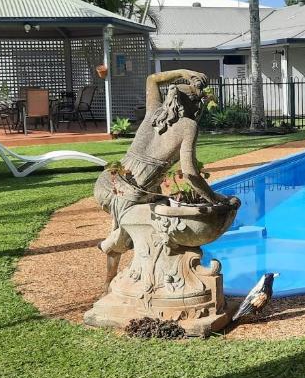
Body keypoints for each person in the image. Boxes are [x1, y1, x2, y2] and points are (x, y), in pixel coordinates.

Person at [94, 69, 238, 289]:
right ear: (187, 105)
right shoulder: (187, 126)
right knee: (157, 225)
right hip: (132, 193)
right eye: (197, 104)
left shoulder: (154, 111)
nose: (199, 109)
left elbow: (152, 79)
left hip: (107, 183)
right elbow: (190, 173)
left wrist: (183, 72)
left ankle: (108, 280)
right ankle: (151, 281)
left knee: (133, 226)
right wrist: (213, 198)